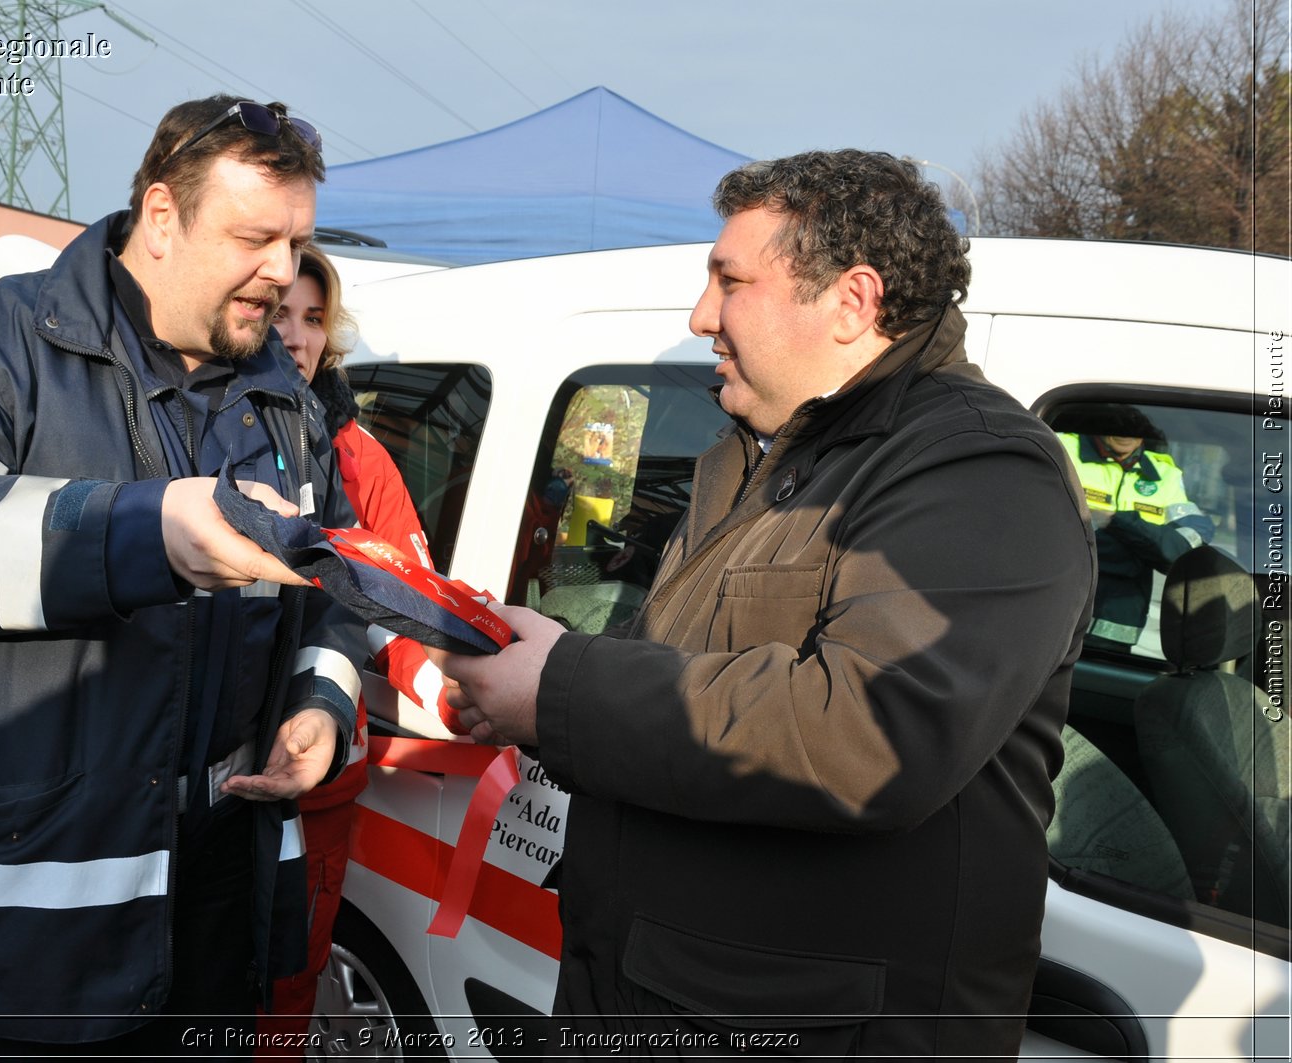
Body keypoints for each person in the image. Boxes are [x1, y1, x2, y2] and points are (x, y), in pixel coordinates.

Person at [440, 150, 1096, 1058]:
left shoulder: (980, 470)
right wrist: (548, 666)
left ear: (853, 301)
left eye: (730, 281)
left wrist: (559, 690)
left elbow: (872, 732)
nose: (700, 316)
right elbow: (701, 660)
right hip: (655, 998)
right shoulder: (759, 455)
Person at [0, 96, 368, 1057]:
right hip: (28, 936)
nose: (283, 273)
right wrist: (138, 531)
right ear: (161, 217)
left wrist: (319, 702)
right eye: (256, 237)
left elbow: (337, 581)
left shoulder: (283, 395)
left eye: (297, 241)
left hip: (214, 921)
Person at [256, 244, 445, 1050]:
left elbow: (406, 594)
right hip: (204, 773)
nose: (296, 337)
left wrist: (450, 692)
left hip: (322, 779)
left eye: (312, 319)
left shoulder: (357, 454)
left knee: (291, 978)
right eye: (278, 315)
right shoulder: (191, 427)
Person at [1058, 408, 1213, 652]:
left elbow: (1180, 549)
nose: (1126, 432)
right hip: (1057, 602)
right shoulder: (1063, 448)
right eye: (1117, 422)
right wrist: (1141, 544)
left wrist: (1114, 521)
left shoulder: (1165, 475)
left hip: (1118, 620)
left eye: (1136, 425)